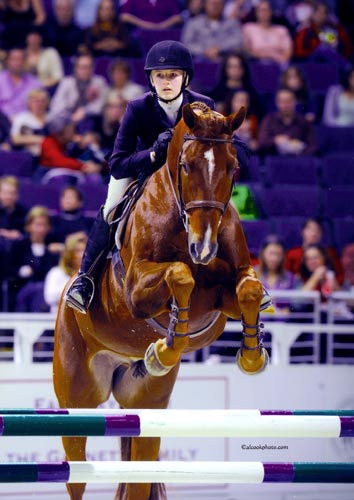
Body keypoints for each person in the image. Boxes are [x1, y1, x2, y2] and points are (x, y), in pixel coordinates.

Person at [64, 39, 268, 314]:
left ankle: (245, 275)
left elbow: (237, 148)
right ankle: (85, 279)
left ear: (185, 78)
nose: (166, 81)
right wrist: (151, 153)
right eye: (160, 76)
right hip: (142, 174)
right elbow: (117, 162)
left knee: (219, 208)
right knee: (111, 207)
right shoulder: (138, 108)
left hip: (189, 181)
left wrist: (227, 145)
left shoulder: (203, 105)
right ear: (151, 79)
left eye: (173, 75)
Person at [6, 205, 58, 311]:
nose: (41, 229)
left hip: (45, 292)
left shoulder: (52, 249)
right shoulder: (19, 246)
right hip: (21, 291)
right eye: (38, 225)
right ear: (28, 226)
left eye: (44, 225)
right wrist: (21, 272)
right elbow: (8, 270)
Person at [48, 53, 108, 133]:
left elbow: (102, 104)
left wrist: (85, 111)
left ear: (92, 68)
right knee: (53, 119)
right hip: (68, 118)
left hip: (91, 119)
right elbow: (56, 104)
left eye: (88, 67)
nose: (85, 70)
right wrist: (70, 114)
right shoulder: (66, 82)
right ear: (76, 68)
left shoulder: (99, 82)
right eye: (82, 67)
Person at [39, 113, 103, 179]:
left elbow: (96, 158)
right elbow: (60, 161)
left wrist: (97, 166)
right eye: (70, 129)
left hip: (70, 174)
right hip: (48, 176)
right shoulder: (48, 142)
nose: (73, 132)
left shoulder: (70, 144)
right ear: (60, 131)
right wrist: (84, 166)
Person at [257, 87, 317, 156]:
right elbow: (262, 142)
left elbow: (313, 145)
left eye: (289, 101)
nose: (285, 105)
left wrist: (301, 153)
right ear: (277, 103)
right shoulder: (269, 120)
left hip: (299, 161)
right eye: (282, 101)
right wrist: (275, 140)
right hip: (275, 159)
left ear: (295, 102)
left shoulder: (303, 121)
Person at [285, 217, 343, 284]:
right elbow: (284, 277)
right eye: (310, 230)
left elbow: (339, 277)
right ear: (302, 232)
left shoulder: (330, 253)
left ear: (322, 234)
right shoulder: (292, 253)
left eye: (317, 230)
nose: (314, 234)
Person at [44, 231, 87, 313]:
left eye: (84, 250)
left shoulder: (91, 275)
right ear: (69, 253)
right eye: (78, 251)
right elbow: (50, 297)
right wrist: (77, 289)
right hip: (59, 319)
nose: (82, 255)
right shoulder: (56, 273)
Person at [256, 234, 299, 313]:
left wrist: (289, 310)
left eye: (278, 254)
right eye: (271, 253)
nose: (274, 258)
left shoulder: (290, 278)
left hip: (283, 324)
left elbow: (299, 302)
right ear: (263, 254)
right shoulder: (252, 276)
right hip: (256, 323)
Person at [208, 52, 261, 117]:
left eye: (239, 66)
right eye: (231, 67)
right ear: (225, 69)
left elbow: (259, 114)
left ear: (244, 69)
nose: (235, 70)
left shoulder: (251, 92)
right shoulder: (215, 93)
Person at [242, 0, 293, 66]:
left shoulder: (281, 30)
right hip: (256, 65)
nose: (264, 13)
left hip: (278, 65)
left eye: (266, 10)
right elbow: (247, 51)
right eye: (261, 10)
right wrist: (270, 55)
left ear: (271, 12)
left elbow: (287, 53)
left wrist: (280, 60)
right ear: (256, 12)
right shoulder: (248, 28)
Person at [0, 48, 43, 122]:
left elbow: (40, 107)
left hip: (27, 123)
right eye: (14, 59)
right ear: (7, 61)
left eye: (21, 59)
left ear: (25, 61)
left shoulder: (35, 83)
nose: (18, 63)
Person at [10, 88, 49, 161]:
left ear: (47, 102)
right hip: (27, 155)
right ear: (29, 102)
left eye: (42, 101)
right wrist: (41, 139)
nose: (39, 103)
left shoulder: (51, 118)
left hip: (48, 154)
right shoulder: (22, 118)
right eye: (36, 101)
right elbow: (15, 139)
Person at [49, 186, 93, 251]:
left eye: (71, 197)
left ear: (80, 202)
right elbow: (50, 246)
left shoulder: (88, 222)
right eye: (64, 196)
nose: (67, 199)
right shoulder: (53, 221)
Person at [24, 26, 64, 92]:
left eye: (36, 37)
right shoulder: (20, 55)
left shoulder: (51, 53)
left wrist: (38, 86)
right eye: (31, 37)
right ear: (26, 38)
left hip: (46, 90)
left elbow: (58, 77)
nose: (34, 40)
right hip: (22, 92)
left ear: (41, 38)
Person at [0, 175, 27, 251]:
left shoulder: (24, 213)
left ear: (17, 195)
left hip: (17, 250)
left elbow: (29, 236)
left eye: (12, 193)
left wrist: (20, 236)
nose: (9, 196)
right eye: (5, 193)